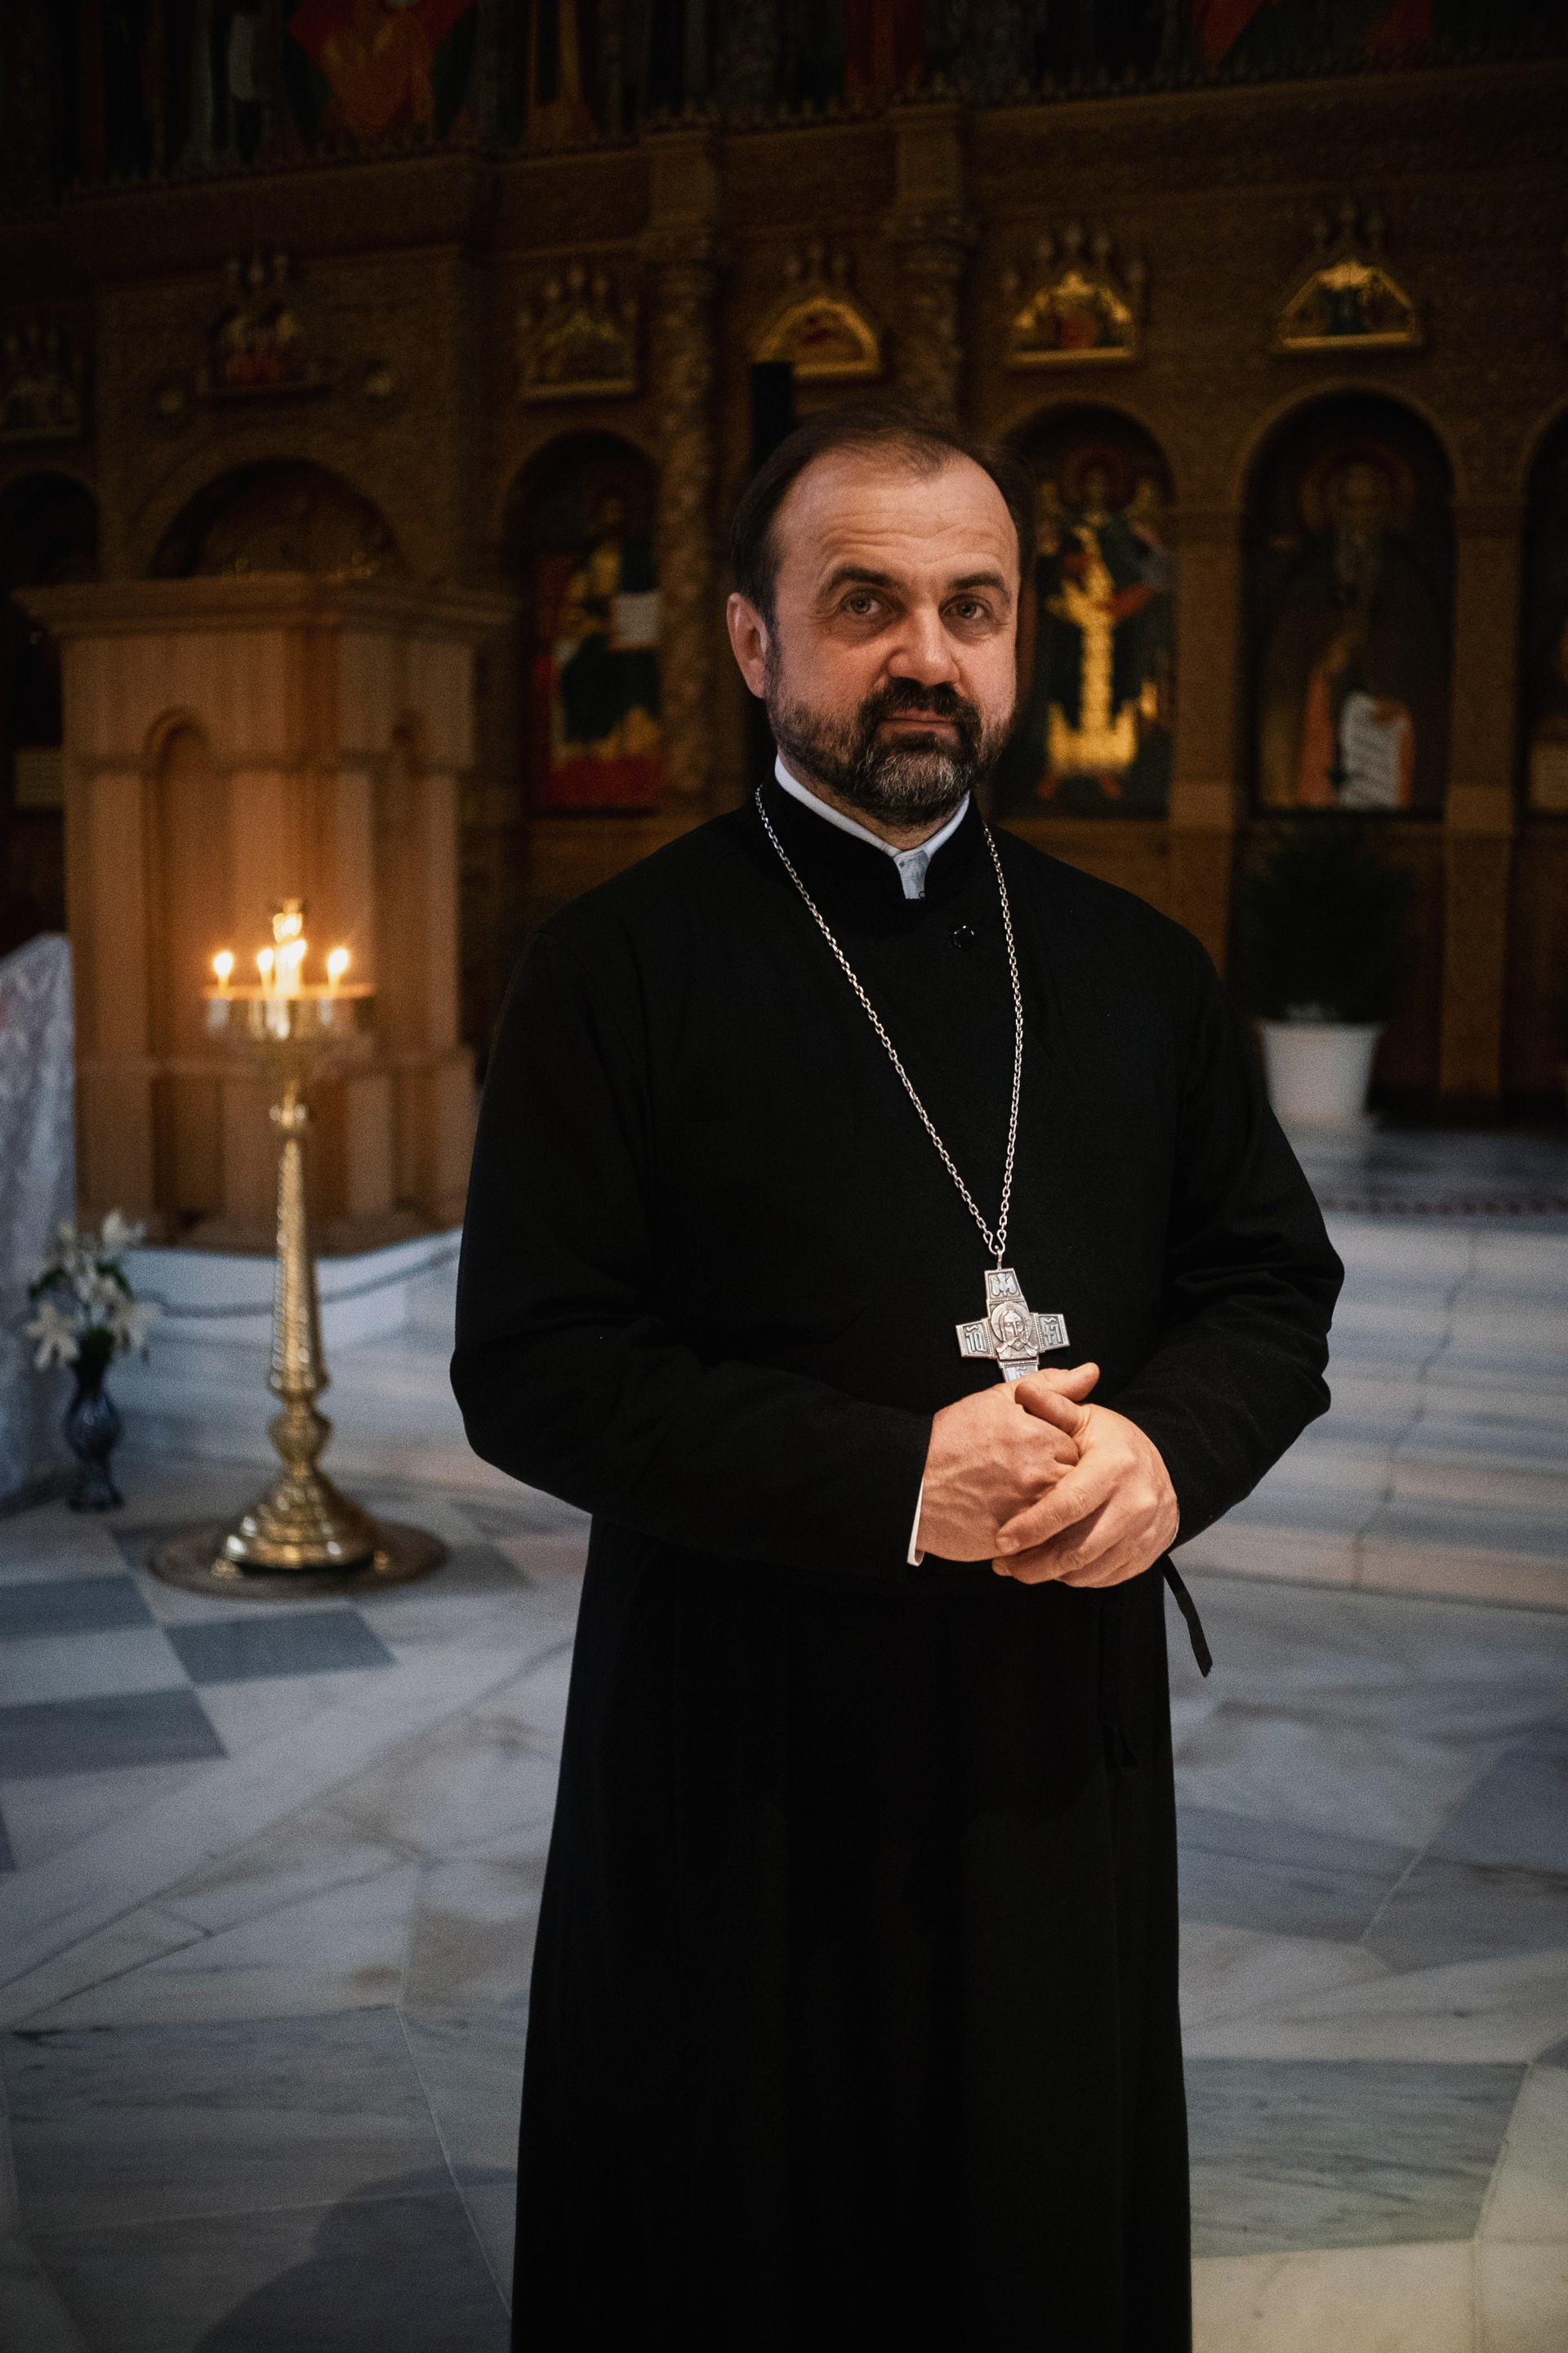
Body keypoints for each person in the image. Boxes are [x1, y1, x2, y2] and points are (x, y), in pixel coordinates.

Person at [452, 403, 1342, 2350]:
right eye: (866, 602)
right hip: (737, 1757)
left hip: (1050, 1753)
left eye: (974, 608)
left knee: (1033, 2224)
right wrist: (890, 1483)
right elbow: (531, 1362)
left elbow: (1274, 1288)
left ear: (1017, 644)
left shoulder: (1139, 972)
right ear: (752, 639)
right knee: (741, 2236)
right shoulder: (616, 967)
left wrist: (1161, 1458)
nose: (926, 654)